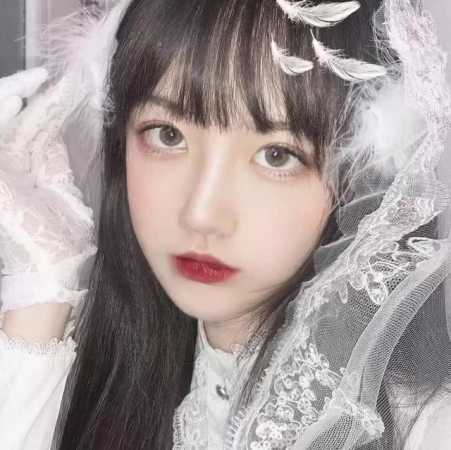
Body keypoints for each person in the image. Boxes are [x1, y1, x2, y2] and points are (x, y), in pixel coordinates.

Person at [0, 0, 450, 449]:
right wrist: (41, 296)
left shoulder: (429, 432)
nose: (201, 214)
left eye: (276, 155)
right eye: (168, 135)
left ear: (366, 179)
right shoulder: (103, 386)